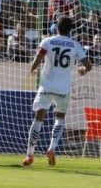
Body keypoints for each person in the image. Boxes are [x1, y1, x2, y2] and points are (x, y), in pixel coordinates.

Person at [22, 16, 92, 166]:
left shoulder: (47, 41)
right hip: (63, 88)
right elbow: (88, 65)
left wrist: (33, 70)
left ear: (57, 28)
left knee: (38, 119)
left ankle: (29, 155)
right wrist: (83, 70)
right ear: (70, 30)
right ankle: (52, 149)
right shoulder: (75, 45)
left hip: (46, 86)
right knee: (59, 118)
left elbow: (38, 58)